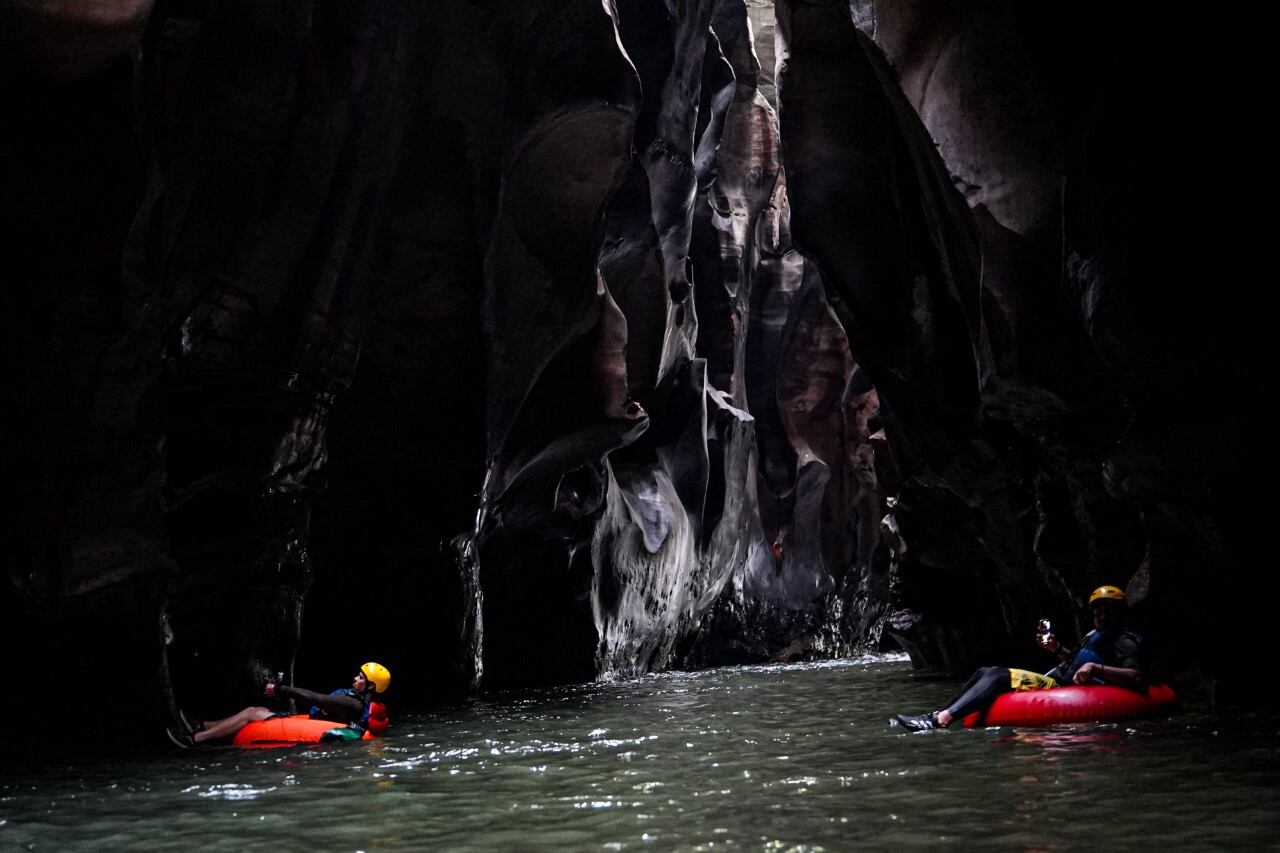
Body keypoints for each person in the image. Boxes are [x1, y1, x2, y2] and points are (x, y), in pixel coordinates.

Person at [894, 585, 1147, 731]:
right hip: (1061, 680)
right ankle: (937, 714)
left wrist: (1096, 668)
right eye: (1097, 611)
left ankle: (941, 720)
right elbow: (1075, 662)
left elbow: (1136, 676)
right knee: (985, 671)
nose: (1100, 616)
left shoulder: (1124, 639)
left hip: (1066, 689)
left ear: (1119, 613)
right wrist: (1056, 648)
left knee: (996, 675)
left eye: (1107, 611)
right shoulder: (1095, 635)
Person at [167, 661, 391, 748]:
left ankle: (195, 739)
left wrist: (280, 689)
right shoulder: (360, 702)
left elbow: (315, 698)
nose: (355, 678)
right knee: (261, 711)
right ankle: (204, 724)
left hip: (318, 729)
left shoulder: (352, 704)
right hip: (316, 723)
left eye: (361, 678)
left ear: (371, 687)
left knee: (251, 713)